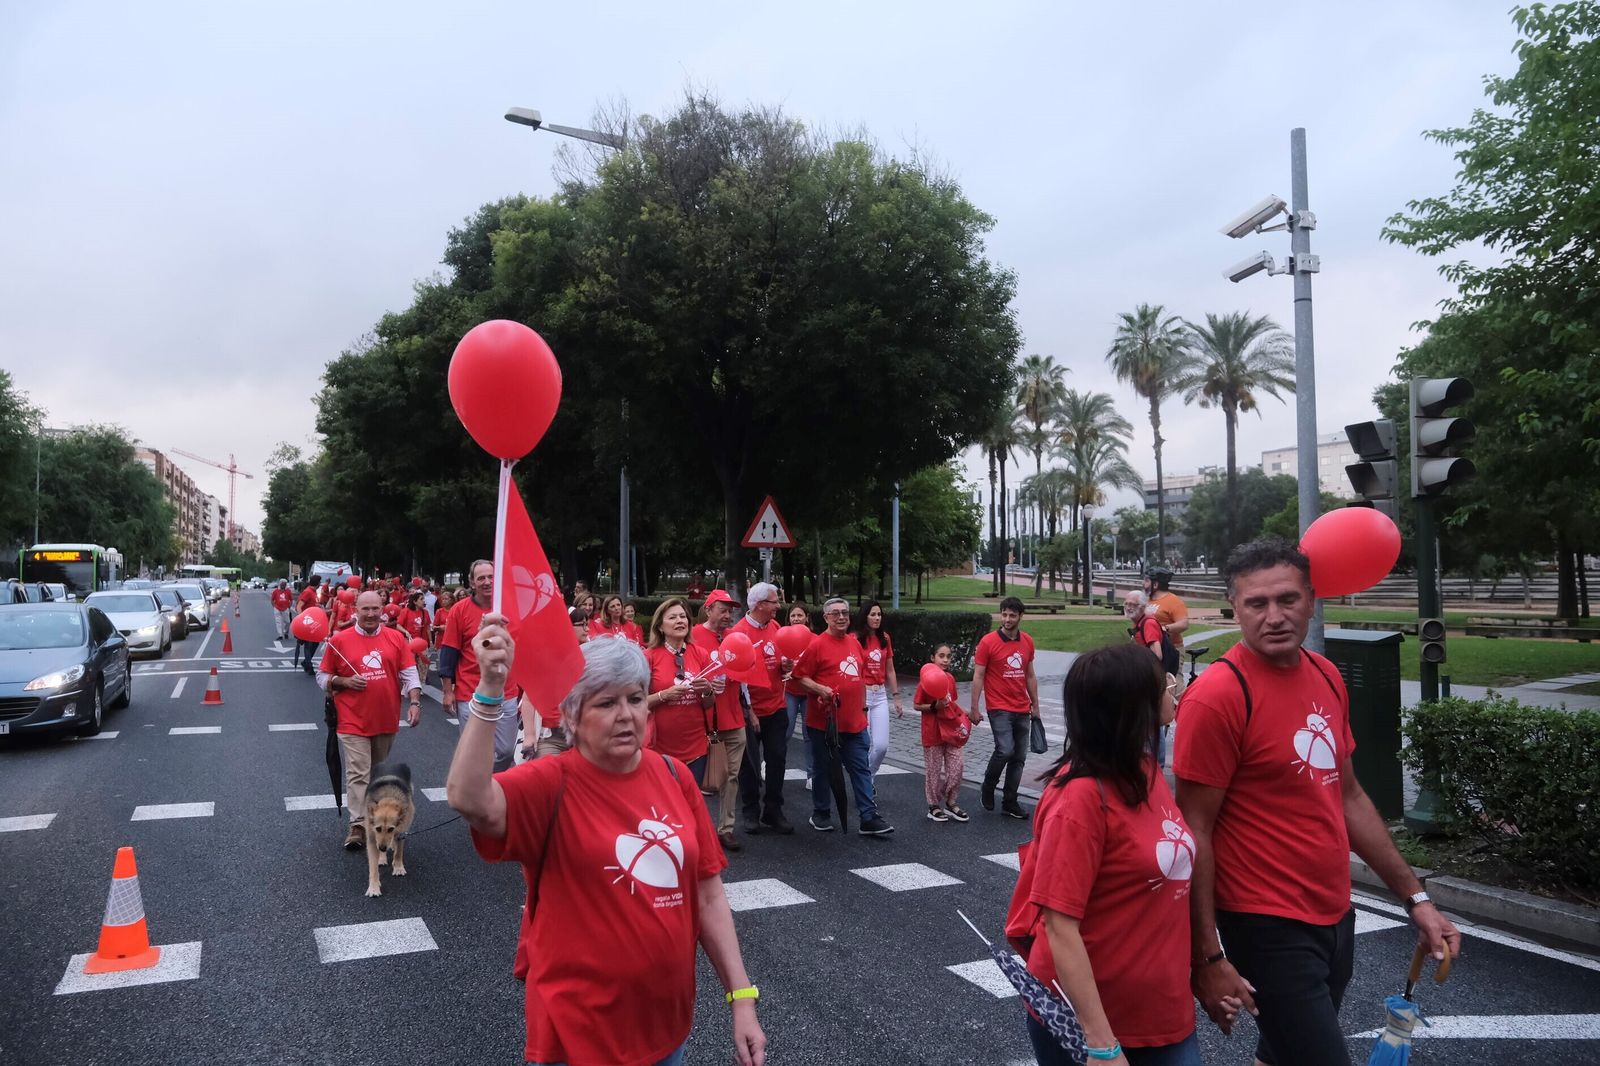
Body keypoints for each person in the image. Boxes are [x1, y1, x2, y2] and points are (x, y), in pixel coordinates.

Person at [1174, 539, 1462, 1066]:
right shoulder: (1218, 696)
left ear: (1311, 600)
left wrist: (1415, 899)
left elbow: (1348, 795)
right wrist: (1207, 956)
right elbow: (1194, 832)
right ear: (1234, 609)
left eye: (1288, 599)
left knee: (1279, 1057)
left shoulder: (1326, 676)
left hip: (1334, 912)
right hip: (1263, 923)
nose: (1274, 616)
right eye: (1256, 604)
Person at [446, 623, 767, 1066]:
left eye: (635, 698)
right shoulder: (550, 782)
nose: (627, 714)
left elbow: (707, 895)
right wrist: (489, 687)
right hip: (579, 1034)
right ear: (573, 716)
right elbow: (468, 798)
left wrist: (742, 997)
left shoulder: (674, 776)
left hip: (665, 1024)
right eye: (606, 703)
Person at [1007, 643, 1215, 1066]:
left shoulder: (1146, 771)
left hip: (1163, 1010)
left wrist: (1207, 966)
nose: (1172, 691)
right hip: (1093, 1020)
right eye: (1163, 685)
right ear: (1132, 705)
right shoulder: (1079, 799)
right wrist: (1100, 1042)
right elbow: (1060, 927)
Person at [317, 590, 421, 850]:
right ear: (356, 611)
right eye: (366, 609)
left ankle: (378, 819)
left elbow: (409, 673)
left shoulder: (395, 638)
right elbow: (322, 678)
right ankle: (358, 824)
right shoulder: (339, 641)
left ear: (382, 609)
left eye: (376, 608)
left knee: (376, 773)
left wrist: (415, 702)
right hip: (351, 720)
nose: (371, 614)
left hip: (385, 719)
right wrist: (343, 681)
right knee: (358, 771)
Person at [792, 597, 893, 836]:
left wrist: (863, 709)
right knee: (823, 769)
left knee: (861, 768)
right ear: (826, 617)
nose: (841, 617)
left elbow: (859, 678)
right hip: (824, 723)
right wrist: (820, 689)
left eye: (845, 613)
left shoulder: (854, 642)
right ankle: (822, 812)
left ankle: (868, 816)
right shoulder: (817, 645)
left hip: (855, 722)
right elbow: (799, 676)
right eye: (835, 613)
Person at [439, 560, 525, 773]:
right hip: (470, 693)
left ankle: (489, 782)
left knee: (505, 750)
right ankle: (478, 794)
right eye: (481, 578)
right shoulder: (460, 610)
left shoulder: (513, 608)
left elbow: (523, 650)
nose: (487, 582)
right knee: (474, 750)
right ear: (472, 583)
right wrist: (448, 691)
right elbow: (449, 652)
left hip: (507, 692)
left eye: (491, 577)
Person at [691, 589, 751, 852]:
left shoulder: (737, 637)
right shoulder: (693, 636)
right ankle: (694, 829)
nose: (728, 615)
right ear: (708, 609)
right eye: (723, 609)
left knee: (731, 777)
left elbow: (748, 669)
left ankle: (725, 829)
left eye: (730, 611)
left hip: (734, 718)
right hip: (701, 721)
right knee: (697, 779)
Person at [971, 596, 1040, 819]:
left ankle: (1010, 801)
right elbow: (978, 676)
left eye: (1012, 615)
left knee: (1019, 757)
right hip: (999, 707)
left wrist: (1035, 705)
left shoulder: (1027, 641)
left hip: (1022, 707)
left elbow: (1029, 675)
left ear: (1020, 616)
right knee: (1005, 750)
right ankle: (988, 786)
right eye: (1004, 614)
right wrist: (974, 708)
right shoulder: (988, 642)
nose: (1007, 619)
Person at [735, 582, 794, 836]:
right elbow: (737, 678)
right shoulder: (739, 634)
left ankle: (773, 809)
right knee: (749, 763)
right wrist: (750, 711)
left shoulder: (777, 628)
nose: (778, 606)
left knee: (777, 759)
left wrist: (786, 666)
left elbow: (781, 666)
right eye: (774, 602)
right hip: (750, 710)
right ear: (759, 605)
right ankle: (750, 811)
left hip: (777, 707)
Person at [645, 598, 717, 783]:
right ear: (660, 626)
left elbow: (709, 703)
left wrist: (707, 691)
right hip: (660, 748)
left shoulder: (700, 653)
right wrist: (664, 695)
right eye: (672, 617)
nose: (680, 621)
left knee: (691, 805)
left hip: (696, 747)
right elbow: (635, 702)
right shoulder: (649, 656)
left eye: (683, 616)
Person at [912, 643, 970, 823]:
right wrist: (932, 706)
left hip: (951, 730)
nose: (945, 660)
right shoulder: (926, 681)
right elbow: (916, 705)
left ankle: (951, 802)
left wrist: (967, 715)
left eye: (948, 656)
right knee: (933, 771)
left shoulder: (950, 679)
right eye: (941, 656)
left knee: (957, 767)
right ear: (932, 658)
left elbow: (951, 703)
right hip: (932, 732)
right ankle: (934, 806)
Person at [852, 600, 904, 776]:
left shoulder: (885, 638)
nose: (876, 618)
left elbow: (890, 669)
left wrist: (896, 696)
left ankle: (869, 775)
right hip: (862, 694)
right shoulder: (855, 639)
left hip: (880, 694)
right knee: (864, 743)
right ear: (864, 616)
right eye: (872, 614)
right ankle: (865, 784)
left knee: (881, 746)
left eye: (879, 614)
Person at [1145, 566, 1189, 657]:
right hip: (1149, 649)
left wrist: (1164, 629)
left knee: (1170, 672)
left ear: (1155, 585)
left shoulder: (1173, 601)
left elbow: (1184, 624)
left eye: (1146, 581)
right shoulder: (1146, 601)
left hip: (1171, 649)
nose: (1143, 584)